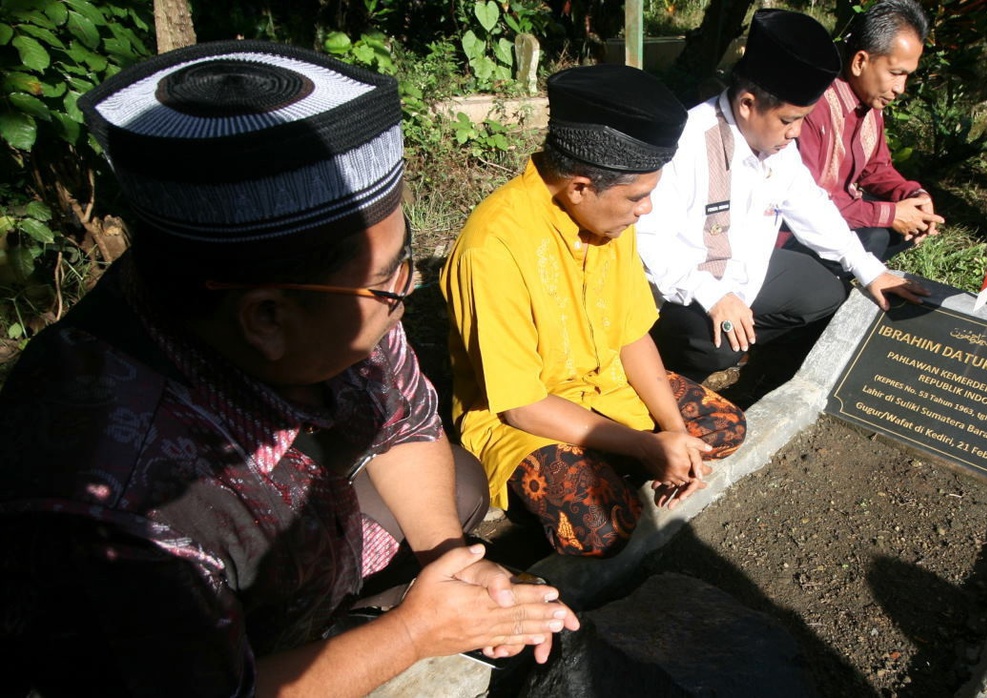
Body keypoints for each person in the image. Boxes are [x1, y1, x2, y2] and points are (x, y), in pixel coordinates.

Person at [0, 41, 577, 696]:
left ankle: (338, 626)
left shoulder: (307, 301)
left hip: (265, 546)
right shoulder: (125, 506)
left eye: (405, 255)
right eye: (389, 282)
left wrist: (447, 563)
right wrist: (413, 634)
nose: (406, 292)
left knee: (461, 489)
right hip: (162, 654)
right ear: (267, 319)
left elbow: (403, 421)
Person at [440, 64, 747, 559]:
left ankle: (619, 457)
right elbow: (521, 404)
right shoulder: (492, 248)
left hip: (607, 386)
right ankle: (609, 464)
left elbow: (631, 338)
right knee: (604, 530)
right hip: (524, 419)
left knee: (723, 430)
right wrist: (647, 448)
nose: (645, 209)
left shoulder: (609, 219)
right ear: (581, 186)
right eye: (638, 196)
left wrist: (671, 431)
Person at [636, 9, 928, 381]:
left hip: (747, 276)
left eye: (802, 119)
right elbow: (648, 240)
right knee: (715, 347)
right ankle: (673, 361)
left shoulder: (775, 142)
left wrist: (871, 271)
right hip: (686, 292)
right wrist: (712, 296)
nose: (796, 133)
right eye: (789, 121)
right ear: (746, 104)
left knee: (825, 291)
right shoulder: (688, 143)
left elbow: (810, 205)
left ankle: (743, 339)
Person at [798, 0, 944, 262]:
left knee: (900, 230)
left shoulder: (870, 105)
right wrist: (889, 214)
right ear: (860, 62)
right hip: (800, 228)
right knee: (875, 237)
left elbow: (877, 169)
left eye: (907, 75)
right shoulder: (814, 106)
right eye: (895, 73)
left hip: (843, 215)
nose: (900, 87)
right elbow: (806, 203)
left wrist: (913, 196)